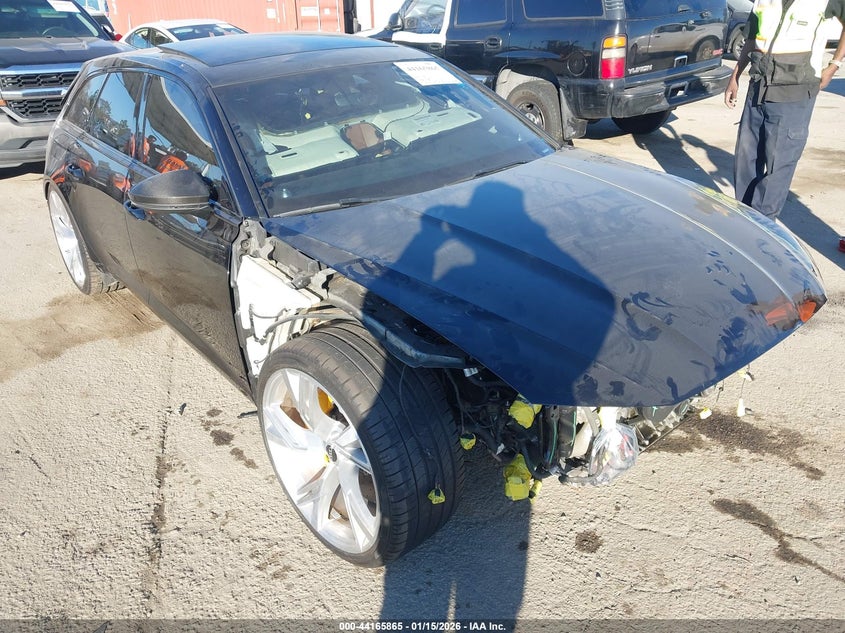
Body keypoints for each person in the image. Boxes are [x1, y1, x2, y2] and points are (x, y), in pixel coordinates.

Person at [725, 0, 845, 251]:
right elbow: (752, 38)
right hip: (758, 87)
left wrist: (834, 65)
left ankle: (760, 233)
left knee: (778, 166)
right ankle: (745, 222)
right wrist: (735, 75)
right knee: (745, 159)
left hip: (795, 92)